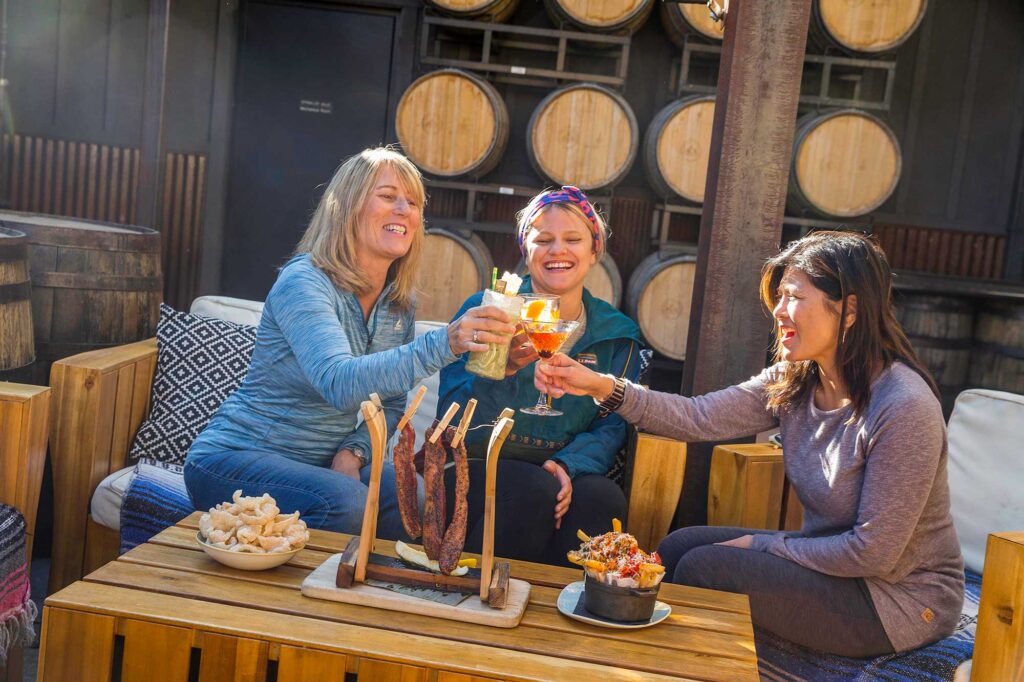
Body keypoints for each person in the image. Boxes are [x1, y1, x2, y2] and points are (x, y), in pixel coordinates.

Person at [534, 230, 964, 657]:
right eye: (779, 297)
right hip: (833, 568)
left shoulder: (903, 406)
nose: (778, 311)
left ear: (849, 310)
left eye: (794, 296)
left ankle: (682, 666)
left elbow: (872, 555)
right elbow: (697, 416)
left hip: (898, 601)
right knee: (676, 548)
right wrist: (596, 385)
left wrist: (761, 545)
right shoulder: (797, 381)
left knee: (706, 568)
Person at [184, 147, 515, 539]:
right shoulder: (304, 283)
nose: (403, 210)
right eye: (388, 196)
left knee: (419, 495)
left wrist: (355, 451)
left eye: (412, 203)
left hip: (319, 464)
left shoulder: (397, 302)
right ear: (346, 207)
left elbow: (391, 401)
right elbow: (338, 382)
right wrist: (446, 342)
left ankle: (381, 596)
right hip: (232, 460)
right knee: (345, 500)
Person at [438, 186, 643, 565]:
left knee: (602, 498)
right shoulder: (487, 312)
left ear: (594, 251)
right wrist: (505, 371)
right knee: (533, 489)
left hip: (567, 464)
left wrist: (568, 465)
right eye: (543, 239)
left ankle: (568, 613)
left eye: (573, 239)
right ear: (525, 250)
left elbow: (612, 425)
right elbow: (452, 414)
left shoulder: (618, 334)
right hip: (481, 464)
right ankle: (486, 602)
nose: (558, 251)